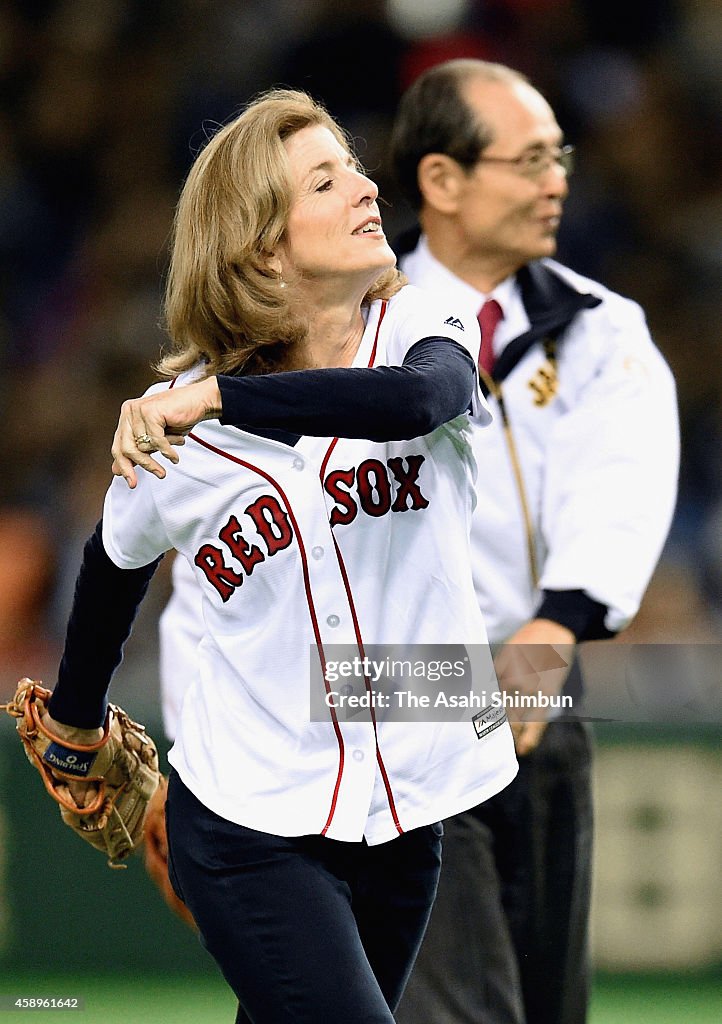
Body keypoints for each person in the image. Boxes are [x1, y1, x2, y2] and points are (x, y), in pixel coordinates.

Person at [45, 87, 518, 1024]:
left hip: (406, 812)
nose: (365, 187)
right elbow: (113, 560)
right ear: (263, 244)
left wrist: (224, 399)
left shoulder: (428, 330)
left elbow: (416, 404)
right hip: (246, 827)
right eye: (325, 179)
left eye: (354, 166)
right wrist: (74, 721)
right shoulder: (174, 428)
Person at [386, 60, 680, 1024]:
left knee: (549, 1004)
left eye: (562, 157)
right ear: (442, 181)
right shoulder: (346, 327)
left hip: (541, 693)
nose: (558, 181)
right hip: (394, 694)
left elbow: (621, 486)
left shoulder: (601, 331)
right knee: (459, 1008)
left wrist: (559, 622)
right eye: (532, 160)